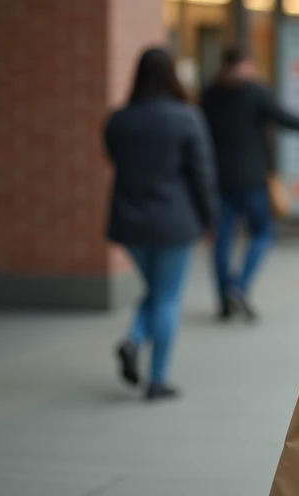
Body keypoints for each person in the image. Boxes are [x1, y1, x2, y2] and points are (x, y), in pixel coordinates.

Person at [105, 47, 217, 401]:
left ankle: (133, 340)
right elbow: (202, 175)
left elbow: (113, 157)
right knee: (167, 297)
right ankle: (156, 379)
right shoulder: (187, 117)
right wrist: (210, 219)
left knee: (155, 292)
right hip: (174, 221)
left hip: (130, 222)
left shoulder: (119, 119)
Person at [200, 47, 299, 321]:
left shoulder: (209, 94)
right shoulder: (254, 92)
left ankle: (224, 299)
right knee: (263, 232)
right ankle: (239, 286)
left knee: (223, 240)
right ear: (244, 64)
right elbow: (282, 116)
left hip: (219, 179)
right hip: (252, 178)